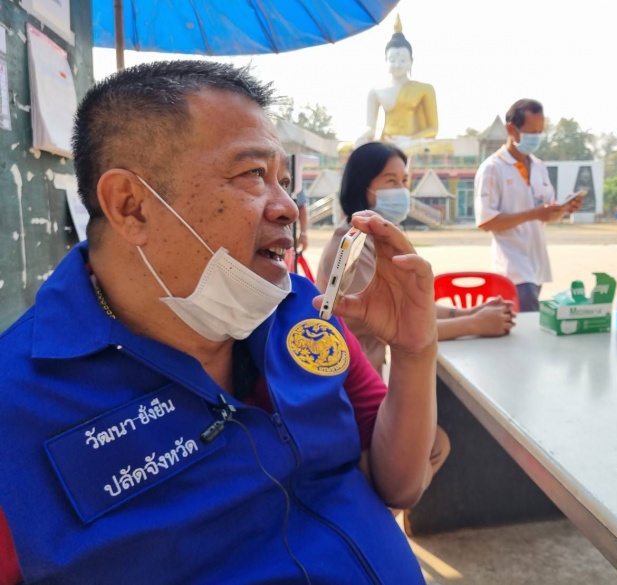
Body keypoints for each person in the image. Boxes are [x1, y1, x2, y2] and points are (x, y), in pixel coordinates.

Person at [0, 61, 439, 585]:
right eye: (253, 175)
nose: (288, 208)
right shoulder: (18, 403)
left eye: (283, 180)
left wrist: (414, 351)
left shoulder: (304, 312)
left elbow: (400, 486)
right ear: (131, 206)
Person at [318, 142, 516, 376]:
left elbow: (407, 306)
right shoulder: (353, 246)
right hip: (350, 381)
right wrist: (475, 324)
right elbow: (396, 324)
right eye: (391, 181)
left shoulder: (373, 239)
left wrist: (470, 312)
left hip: (367, 373)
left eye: (404, 180)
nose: (402, 190)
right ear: (362, 188)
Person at [474, 99, 584, 312]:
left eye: (540, 132)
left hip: (536, 263)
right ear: (511, 129)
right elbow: (486, 222)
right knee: (529, 321)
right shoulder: (492, 168)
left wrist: (564, 209)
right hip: (512, 266)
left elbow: (546, 214)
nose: (536, 137)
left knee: (527, 324)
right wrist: (534, 214)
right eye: (531, 132)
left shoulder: (539, 167)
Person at [357, 16, 438, 150]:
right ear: (386, 60)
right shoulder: (376, 91)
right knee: (346, 148)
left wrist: (410, 140)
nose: (397, 64)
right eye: (392, 60)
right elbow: (370, 127)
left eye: (403, 60)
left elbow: (433, 129)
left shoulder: (425, 89)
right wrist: (362, 136)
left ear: (411, 61)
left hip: (413, 143)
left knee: (436, 147)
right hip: (387, 141)